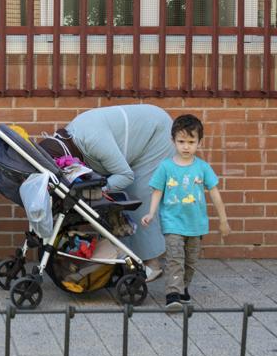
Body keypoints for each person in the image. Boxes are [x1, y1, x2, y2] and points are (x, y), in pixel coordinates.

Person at [57, 104, 176, 280]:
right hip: (136, 141)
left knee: (139, 195)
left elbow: (125, 176)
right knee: (117, 201)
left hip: (157, 134)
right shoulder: (68, 138)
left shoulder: (93, 140)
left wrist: (100, 190)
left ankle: (153, 264)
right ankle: (127, 260)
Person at [139, 114, 231, 311]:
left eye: (191, 142)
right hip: (172, 222)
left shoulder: (202, 168)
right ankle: (172, 295)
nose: (186, 146)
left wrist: (223, 220)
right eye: (181, 141)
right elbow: (157, 191)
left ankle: (183, 288)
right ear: (173, 141)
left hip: (196, 224)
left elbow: (214, 192)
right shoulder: (166, 167)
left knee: (190, 261)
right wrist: (151, 213)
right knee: (175, 259)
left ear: (199, 142)